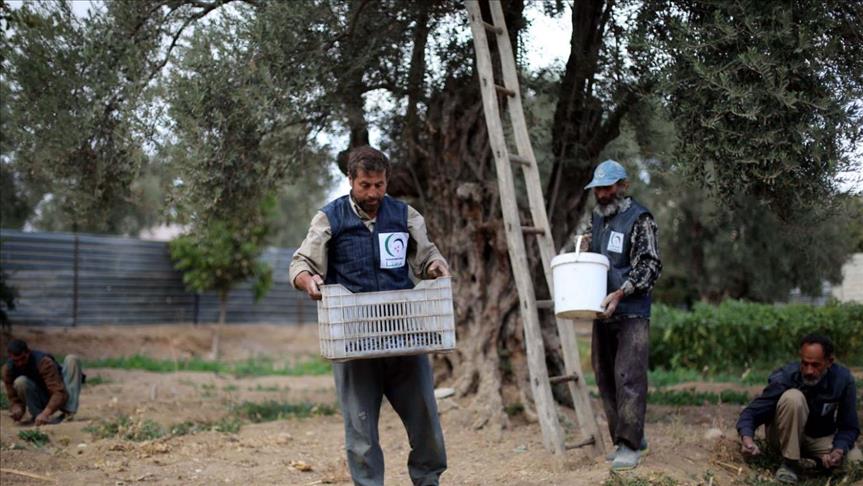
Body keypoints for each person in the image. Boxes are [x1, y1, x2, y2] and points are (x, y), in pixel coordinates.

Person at [290, 146, 449, 486]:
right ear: (350, 180)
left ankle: (428, 479)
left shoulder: (405, 216)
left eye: (379, 185)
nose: (373, 193)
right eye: (365, 185)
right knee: (360, 433)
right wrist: (308, 280)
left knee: (426, 424)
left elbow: (427, 256)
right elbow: (301, 263)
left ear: (387, 180)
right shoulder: (329, 218)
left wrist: (435, 266)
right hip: (353, 341)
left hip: (404, 337)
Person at [579, 159, 662, 471]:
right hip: (603, 311)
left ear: (623, 186)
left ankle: (629, 445)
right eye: (597, 189)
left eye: (607, 188)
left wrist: (621, 292)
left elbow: (650, 265)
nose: (602, 194)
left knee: (628, 377)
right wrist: (580, 246)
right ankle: (626, 438)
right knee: (605, 377)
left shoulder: (640, 219)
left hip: (631, 313)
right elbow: (589, 248)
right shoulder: (598, 218)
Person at [737, 334, 861, 484]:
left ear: (829, 362)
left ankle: (825, 464)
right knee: (793, 398)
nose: (809, 371)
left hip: (818, 437)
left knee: (855, 461)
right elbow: (751, 413)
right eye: (805, 363)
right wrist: (748, 440)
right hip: (783, 438)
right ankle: (789, 464)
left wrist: (838, 450)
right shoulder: (786, 377)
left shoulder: (843, 380)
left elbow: (849, 426)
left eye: (815, 365)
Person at [2, 339, 83, 425]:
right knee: (20, 381)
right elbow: (14, 398)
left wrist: (46, 413)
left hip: (59, 394)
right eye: (16, 361)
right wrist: (17, 410)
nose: (20, 363)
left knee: (72, 359)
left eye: (23, 358)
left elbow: (59, 392)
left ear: (28, 352)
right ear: (10, 357)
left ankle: (68, 413)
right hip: (40, 397)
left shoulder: (43, 362)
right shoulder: (8, 370)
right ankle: (37, 415)